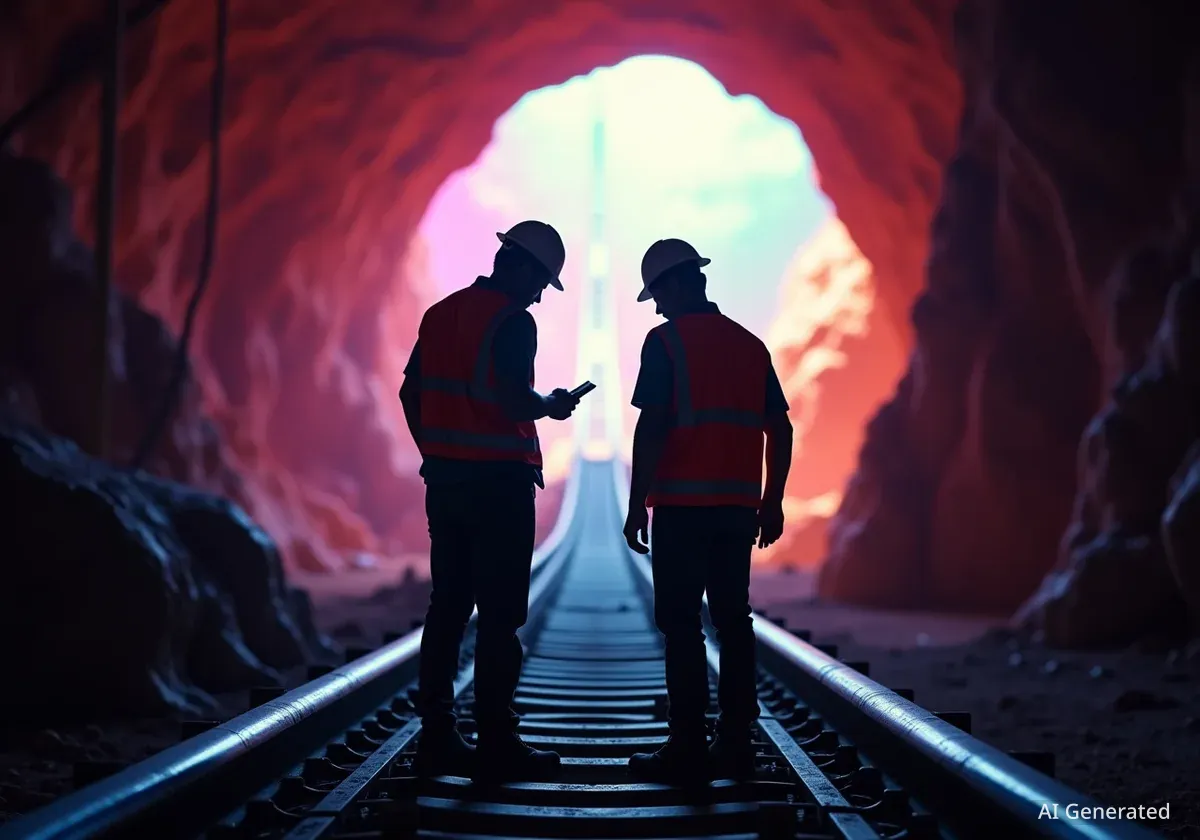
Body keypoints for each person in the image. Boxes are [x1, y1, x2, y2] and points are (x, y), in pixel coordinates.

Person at [398, 220, 581, 782]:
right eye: (541, 284)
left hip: (448, 483)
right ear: (521, 267)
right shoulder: (512, 320)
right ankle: (497, 741)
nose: (538, 297)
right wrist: (548, 406)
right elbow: (506, 395)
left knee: (447, 608)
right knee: (501, 617)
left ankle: (438, 736)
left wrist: (433, 451)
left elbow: (411, 391)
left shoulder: (442, 313)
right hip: (498, 485)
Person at [623, 238, 793, 785]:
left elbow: (652, 428)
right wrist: (772, 500)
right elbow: (780, 428)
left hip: (681, 506)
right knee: (732, 620)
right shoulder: (750, 345)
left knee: (681, 625)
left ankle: (688, 746)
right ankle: (737, 742)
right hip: (737, 509)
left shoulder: (665, 342)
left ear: (674, 284)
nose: (658, 307)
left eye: (657, 295)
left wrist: (635, 505)